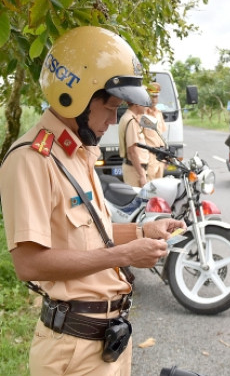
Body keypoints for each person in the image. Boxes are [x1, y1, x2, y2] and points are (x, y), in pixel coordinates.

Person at [0, 26, 186, 376]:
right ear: (74, 95)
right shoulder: (32, 159)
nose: (113, 121)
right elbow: (29, 263)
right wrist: (125, 256)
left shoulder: (79, 152)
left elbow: (90, 236)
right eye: (110, 107)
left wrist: (143, 233)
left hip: (108, 342)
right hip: (74, 347)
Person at [118, 100, 149, 187]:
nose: (146, 106)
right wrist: (142, 175)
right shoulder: (130, 120)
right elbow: (132, 151)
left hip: (136, 169)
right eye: (143, 102)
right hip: (135, 171)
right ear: (136, 104)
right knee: (138, 199)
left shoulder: (131, 118)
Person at [143, 82, 168, 181]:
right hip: (148, 157)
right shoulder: (142, 115)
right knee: (149, 188)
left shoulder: (159, 113)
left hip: (159, 156)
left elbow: (161, 136)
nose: (154, 99)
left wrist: (165, 156)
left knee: (159, 187)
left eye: (156, 96)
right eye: (151, 97)